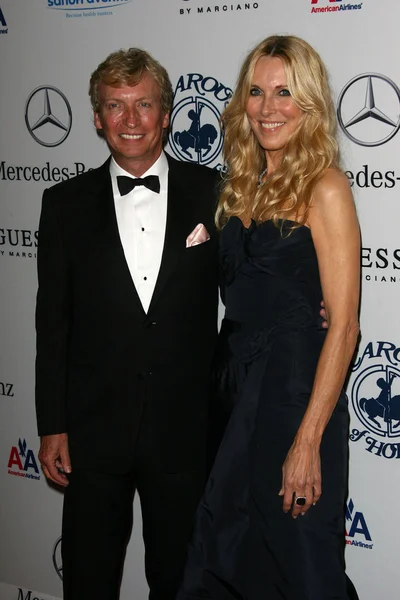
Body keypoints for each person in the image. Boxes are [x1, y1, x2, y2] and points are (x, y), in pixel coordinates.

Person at [177, 35, 360, 600]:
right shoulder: (237, 185)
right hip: (232, 393)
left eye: (284, 92)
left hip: (293, 396)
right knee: (227, 551)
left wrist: (308, 440)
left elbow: (347, 325)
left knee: (300, 562)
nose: (267, 106)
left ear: (308, 103)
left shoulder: (325, 187)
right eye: (256, 91)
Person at [35, 48, 220, 600]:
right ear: (97, 117)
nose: (131, 120)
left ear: (167, 113)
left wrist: (309, 305)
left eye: (143, 104)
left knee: (180, 581)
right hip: (92, 435)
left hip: (184, 433)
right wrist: (52, 424)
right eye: (116, 106)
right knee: (89, 579)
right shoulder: (63, 204)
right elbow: (52, 324)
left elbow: (247, 286)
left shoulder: (215, 192)